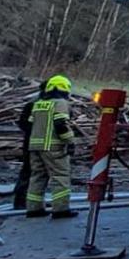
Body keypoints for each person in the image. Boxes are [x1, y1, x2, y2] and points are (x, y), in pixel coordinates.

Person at [18, 75, 81, 218]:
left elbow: (29, 124)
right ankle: (60, 209)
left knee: (37, 177)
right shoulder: (60, 103)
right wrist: (70, 142)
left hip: (34, 147)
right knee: (60, 177)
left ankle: (34, 209)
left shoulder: (38, 103)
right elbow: (60, 125)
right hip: (54, 147)